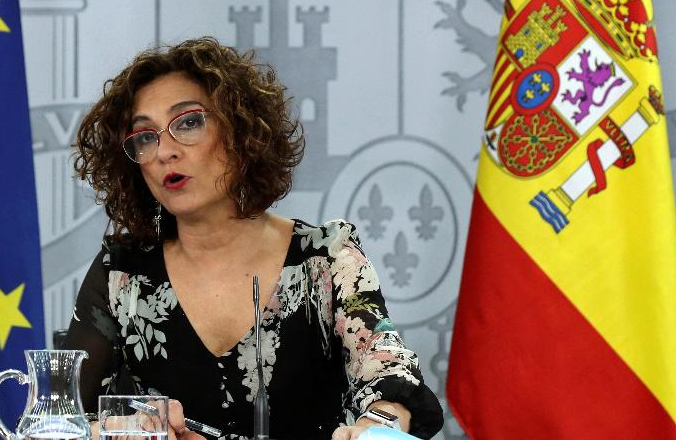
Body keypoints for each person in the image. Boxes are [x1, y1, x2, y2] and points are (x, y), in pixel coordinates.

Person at [65, 37, 444, 440]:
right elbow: (61, 419)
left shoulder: (326, 256)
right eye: (145, 137)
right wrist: (119, 429)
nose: (164, 152)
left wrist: (378, 425)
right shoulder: (121, 273)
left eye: (188, 123)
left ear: (240, 129)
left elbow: (389, 373)